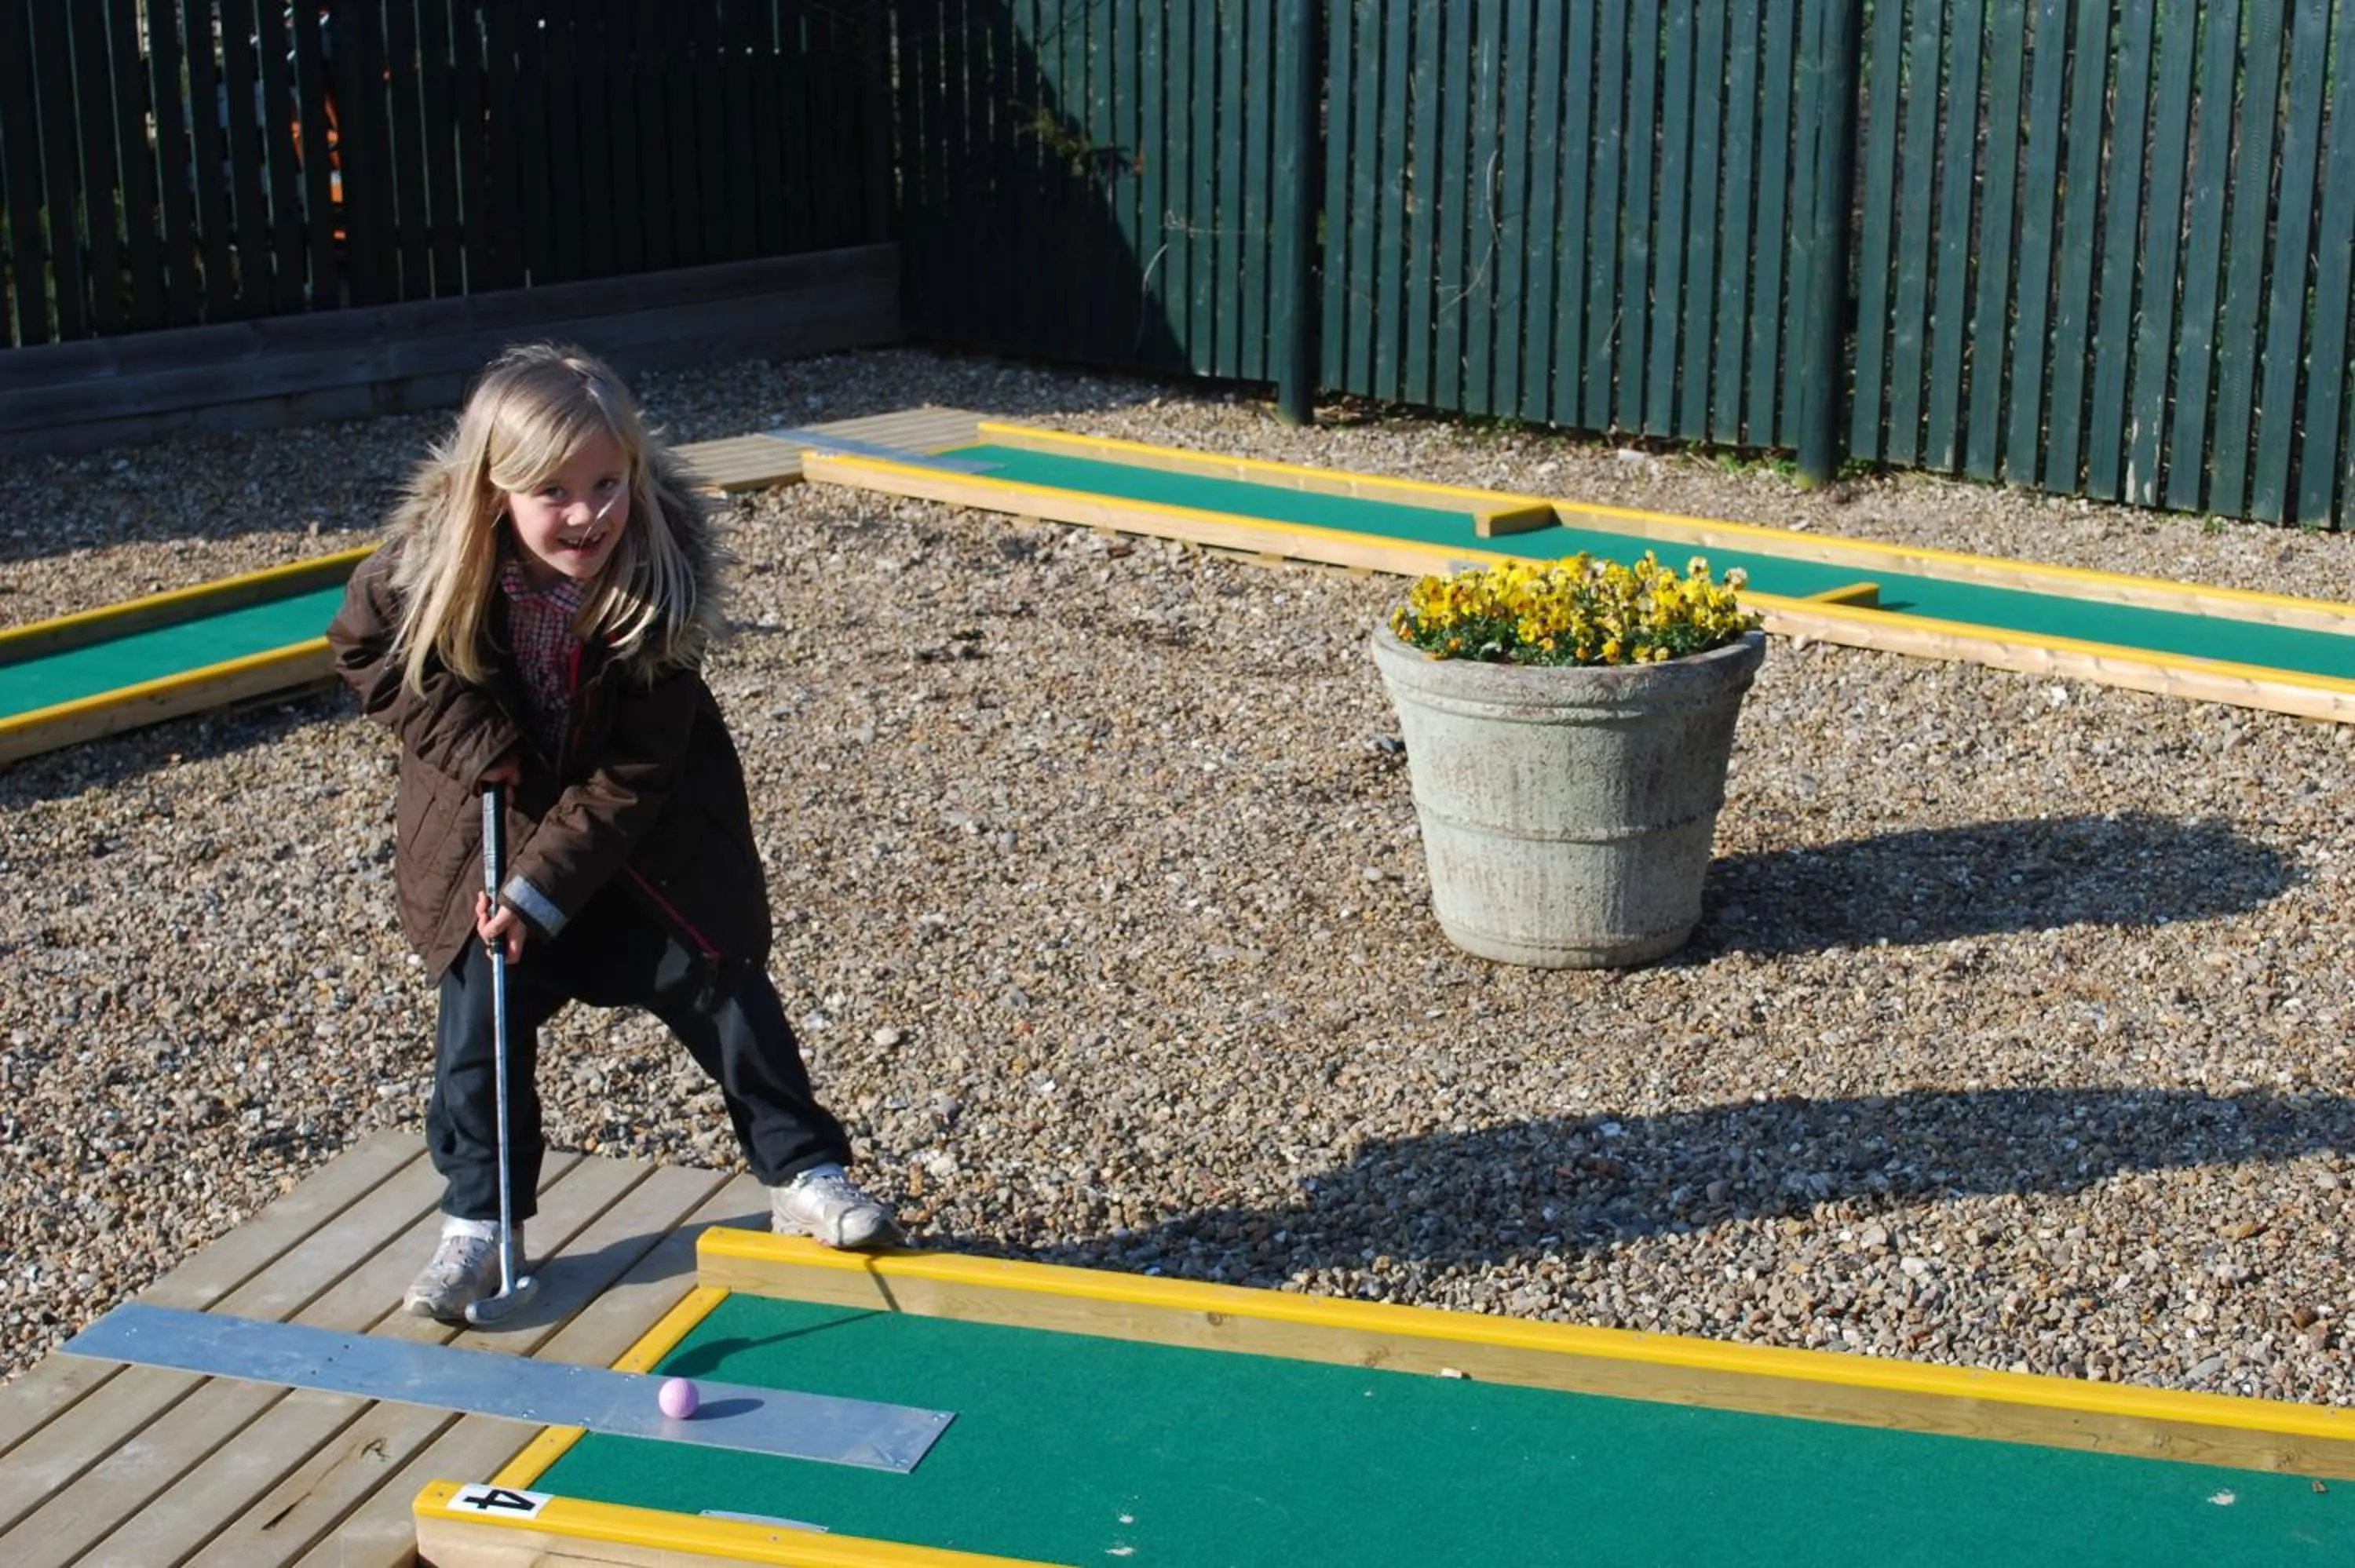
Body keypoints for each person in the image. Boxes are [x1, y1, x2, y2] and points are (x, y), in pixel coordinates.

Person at [327, 342, 899, 1322]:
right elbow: (364, 651)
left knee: (720, 984)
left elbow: (634, 774)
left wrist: (539, 893)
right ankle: (479, 1224)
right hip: (485, 829)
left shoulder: (659, 582)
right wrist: (474, 740)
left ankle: (803, 1171)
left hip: (643, 840)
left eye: (607, 483)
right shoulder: (421, 573)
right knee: (481, 1013)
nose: (588, 513)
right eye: (554, 491)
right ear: (492, 489)